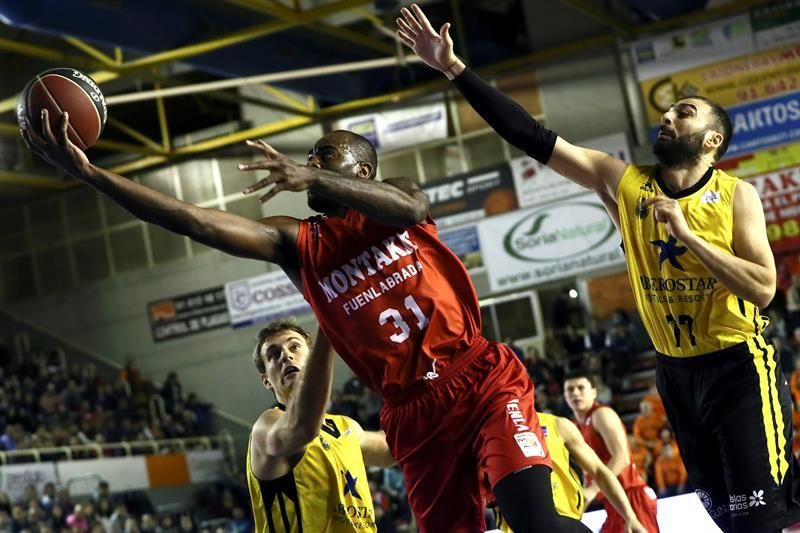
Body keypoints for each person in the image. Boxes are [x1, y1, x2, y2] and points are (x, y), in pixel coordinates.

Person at [23, 111, 588, 532]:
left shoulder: (399, 198)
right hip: (412, 414)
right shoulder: (297, 243)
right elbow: (193, 220)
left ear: (361, 171)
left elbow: (411, 208)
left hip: (480, 379)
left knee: (533, 520)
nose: (312, 163)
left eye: (324, 156)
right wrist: (92, 174)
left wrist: (309, 178)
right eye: (310, 158)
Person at [397, 4, 800, 531]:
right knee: (728, 518)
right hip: (675, 373)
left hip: (737, 366)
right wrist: (454, 69)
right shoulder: (624, 182)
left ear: (711, 141)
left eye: (683, 113)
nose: (668, 117)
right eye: (667, 112)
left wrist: (687, 236)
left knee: (763, 518)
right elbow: (533, 137)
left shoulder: (735, 195)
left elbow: (764, 288)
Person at [247, 320, 394, 531]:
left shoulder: (345, 426)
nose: (286, 356)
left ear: (311, 357)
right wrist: (328, 326)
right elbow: (304, 427)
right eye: (274, 354)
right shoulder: (266, 426)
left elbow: (393, 450)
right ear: (266, 380)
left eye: (294, 346)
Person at [492, 411, 649, 533]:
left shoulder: (557, 425)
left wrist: (630, 517)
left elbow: (599, 471)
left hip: (566, 520)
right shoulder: (487, 436)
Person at [562, 373, 659, 532]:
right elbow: (589, 469)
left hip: (631, 496)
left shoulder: (601, 414)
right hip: (612, 502)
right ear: (564, 395)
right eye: (570, 389)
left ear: (594, 392)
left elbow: (622, 458)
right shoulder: (574, 426)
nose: (575, 393)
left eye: (581, 388)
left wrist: (593, 490)